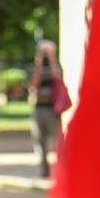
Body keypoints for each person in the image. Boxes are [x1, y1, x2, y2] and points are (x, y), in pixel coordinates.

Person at [29, 40, 70, 177]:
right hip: (39, 108)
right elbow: (33, 84)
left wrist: (52, 60)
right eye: (43, 51)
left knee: (57, 140)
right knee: (39, 140)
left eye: (48, 51)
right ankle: (44, 170)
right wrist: (39, 64)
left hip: (52, 109)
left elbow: (58, 77)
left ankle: (61, 168)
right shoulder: (35, 67)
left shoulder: (57, 65)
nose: (45, 55)